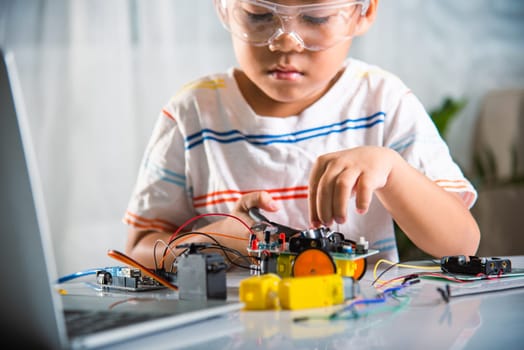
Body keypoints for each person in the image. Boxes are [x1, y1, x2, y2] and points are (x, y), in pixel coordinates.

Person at [123, 0, 480, 269]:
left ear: (363, 12)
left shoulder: (383, 101)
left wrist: (393, 171)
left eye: (316, 18)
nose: (286, 43)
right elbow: (138, 250)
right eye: (259, 15)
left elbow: (461, 243)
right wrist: (214, 241)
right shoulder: (192, 112)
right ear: (225, 7)